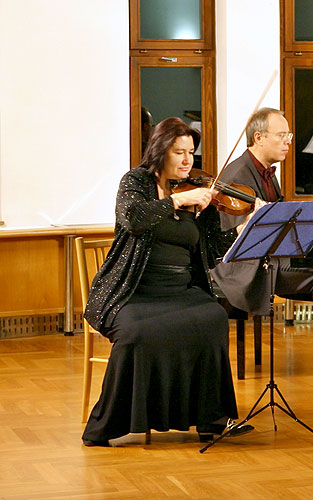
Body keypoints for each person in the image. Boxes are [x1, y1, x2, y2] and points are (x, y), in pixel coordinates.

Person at [82, 117, 254, 446]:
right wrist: (176, 201)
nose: (188, 160)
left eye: (191, 152)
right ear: (161, 151)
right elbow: (133, 219)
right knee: (136, 333)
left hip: (181, 290)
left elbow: (214, 251)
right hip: (133, 291)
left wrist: (242, 231)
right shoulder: (135, 182)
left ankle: (211, 418)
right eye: (180, 152)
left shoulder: (198, 194)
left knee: (213, 317)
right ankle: (107, 425)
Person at [211, 107, 313, 376]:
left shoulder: (266, 171)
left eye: (288, 135)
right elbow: (239, 237)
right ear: (259, 138)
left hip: (272, 259)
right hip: (247, 268)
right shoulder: (237, 176)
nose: (288, 141)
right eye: (281, 135)